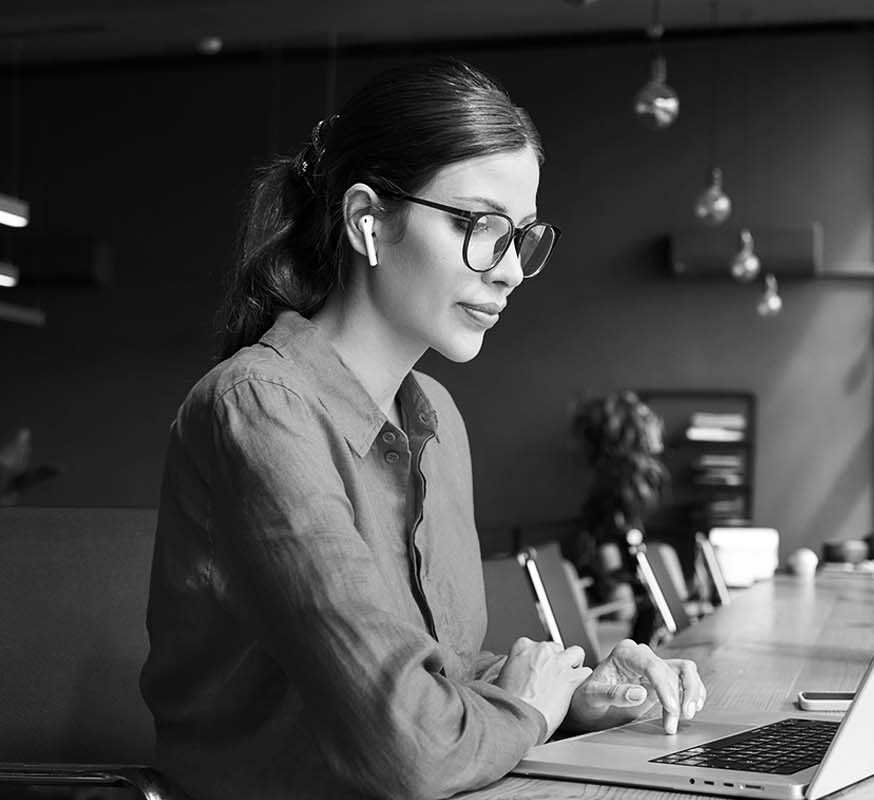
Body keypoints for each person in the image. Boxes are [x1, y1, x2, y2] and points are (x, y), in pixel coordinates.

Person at [140, 57, 706, 800]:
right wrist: (526, 710)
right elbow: (409, 746)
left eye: (523, 237)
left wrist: (564, 702)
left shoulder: (435, 414)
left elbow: (435, 676)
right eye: (480, 226)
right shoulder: (258, 408)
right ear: (368, 221)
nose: (508, 270)